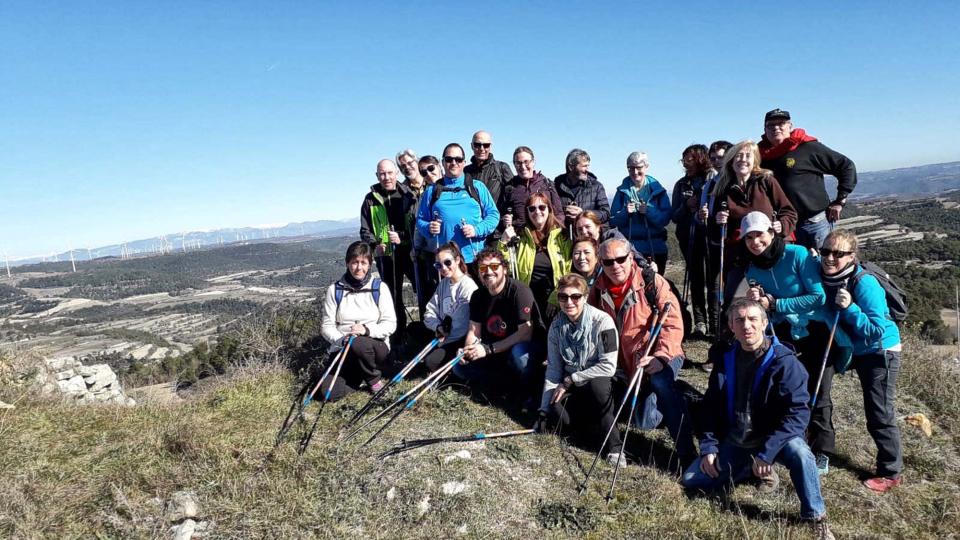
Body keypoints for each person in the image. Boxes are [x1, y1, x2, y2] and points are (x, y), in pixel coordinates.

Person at [683, 298, 835, 540]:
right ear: (731, 326)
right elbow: (710, 406)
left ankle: (815, 515)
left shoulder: (785, 362)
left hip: (775, 439)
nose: (747, 326)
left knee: (801, 454)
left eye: (753, 319)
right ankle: (750, 469)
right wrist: (709, 446)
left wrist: (768, 451)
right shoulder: (725, 359)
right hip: (737, 437)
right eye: (739, 320)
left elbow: (798, 413)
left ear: (764, 323)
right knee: (692, 481)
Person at [739, 211, 833, 475]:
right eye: (749, 238)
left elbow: (818, 297)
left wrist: (776, 302)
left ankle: (823, 448)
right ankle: (795, 441)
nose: (755, 242)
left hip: (816, 330)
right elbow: (767, 306)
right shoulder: (753, 267)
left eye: (759, 235)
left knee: (819, 389)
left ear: (771, 232)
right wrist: (760, 299)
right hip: (785, 333)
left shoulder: (798, 255)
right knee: (791, 390)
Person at [588, 237, 696, 465]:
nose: (615, 266)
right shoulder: (597, 290)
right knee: (643, 421)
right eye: (608, 262)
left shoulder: (652, 283)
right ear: (601, 263)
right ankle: (683, 397)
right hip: (628, 362)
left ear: (630, 258)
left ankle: (687, 454)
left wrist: (661, 357)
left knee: (661, 383)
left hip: (660, 355)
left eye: (620, 259)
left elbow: (673, 323)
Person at [819, 229, 903, 492]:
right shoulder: (829, 276)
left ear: (852, 256)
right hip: (858, 348)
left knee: (879, 412)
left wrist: (850, 308)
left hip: (880, 352)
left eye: (838, 253)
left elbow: (877, 329)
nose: (830, 258)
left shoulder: (864, 283)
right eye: (825, 251)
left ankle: (890, 472)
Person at [537, 273, 624, 466]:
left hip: (600, 379)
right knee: (556, 411)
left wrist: (571, 379)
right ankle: (589, 429)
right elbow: (554, 369)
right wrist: (543, 411)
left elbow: (608, 366)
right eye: (563, 297)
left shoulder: (603, 321)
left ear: (585, 297)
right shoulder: (556, 326)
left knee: (598, 387)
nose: (569, 302)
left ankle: (615, 448)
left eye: (575, 297)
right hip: (573, 382)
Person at [702, 140, 798, 302]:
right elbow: (713, 228)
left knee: (777, 299)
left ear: (755, 160)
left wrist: (781, 225)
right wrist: (717, 220)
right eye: (738, 156)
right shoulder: (722, 188)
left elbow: (789, 212)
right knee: (737, 302)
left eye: (748, 156)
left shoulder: (766, 181)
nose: (743, 160)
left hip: (771, 252)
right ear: (731, 160)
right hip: (740, 255)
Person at [456, 248, 544, 408]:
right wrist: (468, 349)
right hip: (494, 350)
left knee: (520, 357)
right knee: (458, 366)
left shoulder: (519, 291)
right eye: (483, 268)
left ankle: (524, 391)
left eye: (494, 266)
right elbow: (474, 330)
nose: (488, 271)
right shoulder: (477, 296)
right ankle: (504, 385)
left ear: (504, 269)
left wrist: (488, 349)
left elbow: (525, 333)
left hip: (519, 347)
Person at [759, 108, 857, 249]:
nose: (776, 128)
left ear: (790, 126)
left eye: (781, 123)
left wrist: (840, 200)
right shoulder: (760, 155)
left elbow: (846, 166)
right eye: (771, 125)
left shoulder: (807, 147)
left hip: (814, 224)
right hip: (783, 226)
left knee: (822, 266)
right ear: (765, 129)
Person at [319, 241, 397, 401]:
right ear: (347, 263)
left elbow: (390, 324)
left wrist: (366, 330)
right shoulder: (334, 290)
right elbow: (327, 326)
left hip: (376, 348)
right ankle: (361, 375)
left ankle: (374, 380)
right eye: (354, 262)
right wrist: (341, 340)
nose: (358, 268)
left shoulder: (379, 288)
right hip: (344, 349)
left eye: (364, 263)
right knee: (329, 394)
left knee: (359, 342)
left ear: (370, 265)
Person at [416, 143, 501, 267]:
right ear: (443, 162)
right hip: (447, 263)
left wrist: (477, 230)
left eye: (458, 159)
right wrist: (429, 227)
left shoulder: (477, 187)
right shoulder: (431, 191)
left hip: (475, 259)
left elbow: (493, 215)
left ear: (464, 162)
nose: (454, 162)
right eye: (449, 159)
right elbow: (420, 220)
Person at [359, 159, 417, 335]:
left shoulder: (408, 194)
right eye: (382, 174)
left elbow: (416, 225)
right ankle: (399, 335)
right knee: (392, 296)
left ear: (396, 173)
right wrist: (375, 245)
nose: (386, 177)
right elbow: (365, 229)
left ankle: (426, 331)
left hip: (411, 252)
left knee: (423, 288)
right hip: (386, 256)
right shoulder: (370, 199)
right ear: (377, 175)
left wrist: (403, 238)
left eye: (390, 173)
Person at [500, 192, 572, 321]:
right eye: (532, 208)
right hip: (528, 298)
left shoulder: (562, 237)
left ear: (549, 209)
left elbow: (568, 270)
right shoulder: (520, 236)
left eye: (542, 207)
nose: (537, 211)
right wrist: (503, 243)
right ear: (527, 212)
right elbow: (508, 266)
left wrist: (556, 298)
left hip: (556, 299)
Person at [671, 144, 712, 336]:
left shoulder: (713, 180)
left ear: (701, 159)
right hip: (688, 235)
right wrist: (687, 206)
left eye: (690, 158)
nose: (686, 163)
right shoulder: (681, 184)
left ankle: (715, 320)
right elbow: (675, 216)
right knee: (695, 278)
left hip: (710, 236)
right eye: (684, 159)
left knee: (714, 279)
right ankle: (700, 323)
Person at [610, 152, 672, 274]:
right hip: (630, 248)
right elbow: (612, 220)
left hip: (655, 247)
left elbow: (665, 219)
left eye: (639, 167)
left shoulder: (658, 191)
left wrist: (649, 211)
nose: (635, 172)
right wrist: (625, 212)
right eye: (631, 168)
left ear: (646, 167)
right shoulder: (621, 192)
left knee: (656, 287)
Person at [422, 242, 479, 371]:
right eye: (438, 265)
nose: (443, 268)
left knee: (430, 362)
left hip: (459, 339)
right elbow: (429, 311)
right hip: (442, 333)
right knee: (415, 331)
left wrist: (443, 337)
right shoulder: (443, 284)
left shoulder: (468, 286)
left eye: (447, 262)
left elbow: (461, 323)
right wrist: (437, 326)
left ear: (457, 260)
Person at [699, 140, 733, 333]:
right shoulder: (710, 182)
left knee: (731, 287)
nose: (717, 161)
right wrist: (702, 214)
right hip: (714, 241)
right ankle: (715, 329)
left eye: (721, 157)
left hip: (733, 243)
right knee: (714, 287)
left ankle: (729, 329)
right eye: (713, 158)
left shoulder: (736, 180)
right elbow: (704, 212)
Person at [410, 155, 444, 318]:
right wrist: (416, 247)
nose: (429, 174)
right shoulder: (426, 195)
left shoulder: (458, 186)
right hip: (433, 252)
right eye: (424, 172)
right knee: (437, 292)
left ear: (439, 166)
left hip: (457, 251)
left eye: (431, 168)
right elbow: (420, 223)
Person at [502, 146, 564, 230]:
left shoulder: (547, 184)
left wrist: (554, 232)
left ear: (533, 162)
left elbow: (559, 214)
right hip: (521, 238)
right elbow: (501, 214)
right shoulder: (509, 188)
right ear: (514, 164)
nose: (523, 167)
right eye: (518, 163)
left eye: (526, 162)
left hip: (545, 237)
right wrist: (505, 220)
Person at [554, 148, 611, 234]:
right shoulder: (556, 187)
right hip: (564, 239)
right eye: (584, 166)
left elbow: (606, 213)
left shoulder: (596, 186)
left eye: (588, 166)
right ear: (571, 167)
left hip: (588, 238)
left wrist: (583, 214)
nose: (587, 169)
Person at [464, 130, 514, 212]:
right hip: (473, 222)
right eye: (477, 145)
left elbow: (513, 196)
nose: (481, 149)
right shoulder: (465, 171)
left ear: (490, 146)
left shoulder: (501, 168)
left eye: (486, 145)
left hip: (496, 222)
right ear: (472, 146)